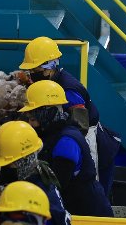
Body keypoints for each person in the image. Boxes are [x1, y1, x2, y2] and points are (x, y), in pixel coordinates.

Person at [20, 36, 121, 196]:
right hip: (69, 136)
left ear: (51, 66)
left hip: (86, 138)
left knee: (87, 186)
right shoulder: (50, 82)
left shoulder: (69, 89)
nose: (33, 75)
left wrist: (64, 146)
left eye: (37, 71)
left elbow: (80, 126)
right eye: (31, 71)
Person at [21, 80, 113, 217]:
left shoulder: (67, 142)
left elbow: (56, 183)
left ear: (48, 114)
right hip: (72, 209)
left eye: (33, 120)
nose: (30, 124)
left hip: (88, 215)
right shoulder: (53, 132)